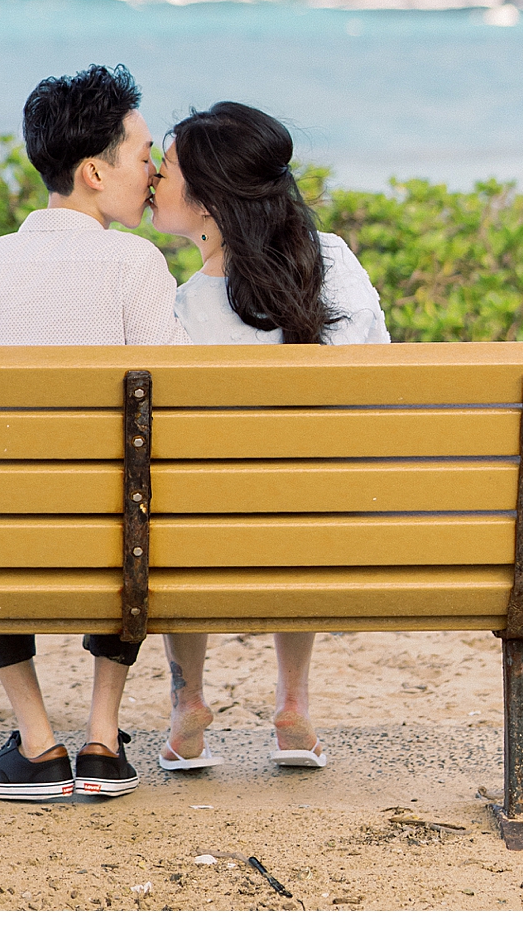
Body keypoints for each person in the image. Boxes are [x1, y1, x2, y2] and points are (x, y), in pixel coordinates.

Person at [0, 62, 185, 801]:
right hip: (116, 533)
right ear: (93, 173)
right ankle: (102, 739)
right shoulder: (134, 263)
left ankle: (39, 742)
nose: (154, 170)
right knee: (139, 493)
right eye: (144, 156)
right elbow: (173, 403)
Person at [148, 100, 390, 773]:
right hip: (322, 521)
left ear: (206, 205)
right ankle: (293, 703)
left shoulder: (181, 302)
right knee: (303, 485)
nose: (150, 180)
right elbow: (379, 379)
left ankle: (188, 700)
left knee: (177, 500)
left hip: (206, 533)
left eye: (164, 169)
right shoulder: (334, 260)